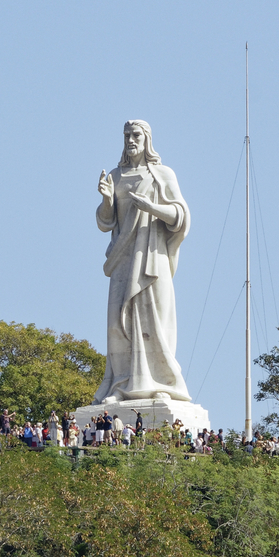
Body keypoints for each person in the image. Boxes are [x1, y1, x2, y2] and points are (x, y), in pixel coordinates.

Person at [91, 120, 193, 405]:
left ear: (146, 139)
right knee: (118, 325)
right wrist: (107, 199)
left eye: (135, 135)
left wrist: (152, 208)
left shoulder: (162, 174)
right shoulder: (116, 175)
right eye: (126, 135)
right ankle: (121, 385)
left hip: (152, 257)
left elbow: (181, 216)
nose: (130, 140)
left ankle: (163, 383)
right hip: (123, 259)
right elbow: (105, 222)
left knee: (155, 320)